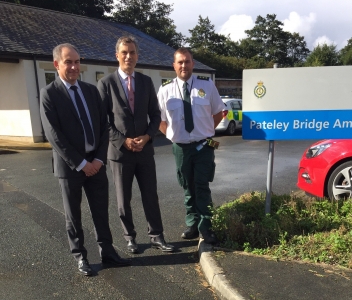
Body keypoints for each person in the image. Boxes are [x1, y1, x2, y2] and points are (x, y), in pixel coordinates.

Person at [40, 43, 130, 276]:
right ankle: (80, 256)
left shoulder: (91, 91)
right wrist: (81, 164)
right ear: (57, 64)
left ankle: (107, 252)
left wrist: (99, 160)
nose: (73, 66)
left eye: (77, 62)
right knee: (74, 215)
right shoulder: (49, 94)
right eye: (68, 62)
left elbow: (104, 128)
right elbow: (54, 135)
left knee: (101, 210)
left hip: (97, 163)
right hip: (70, 167)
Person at [97, 36, 174, 253]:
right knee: (124, 199)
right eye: (124, 52)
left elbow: (155, 114)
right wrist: (123, 141)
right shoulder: (106, 84)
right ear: (117, 56)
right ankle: (130, 237)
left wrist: (148, 137)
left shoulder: (146, 81)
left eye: (132, 52)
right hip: (120, 153)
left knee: (151, 195)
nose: (128, 56)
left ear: (137, 56)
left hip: (144, 150)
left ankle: (157, 235)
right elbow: (103, 121)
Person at [157, 48, 225, 244]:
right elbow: (159, 119)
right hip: (180, 147)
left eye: (187, 61)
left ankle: (207, 226)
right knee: (187, 186)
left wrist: (206, 132)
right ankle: (192, 224)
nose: (184, 65)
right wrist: (171, 135)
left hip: (204, 146)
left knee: (202, 186)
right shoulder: (165, 89)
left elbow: (219, 112)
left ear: (193, 64)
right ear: (174, 65)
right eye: (180, 62)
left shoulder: (207, 85)